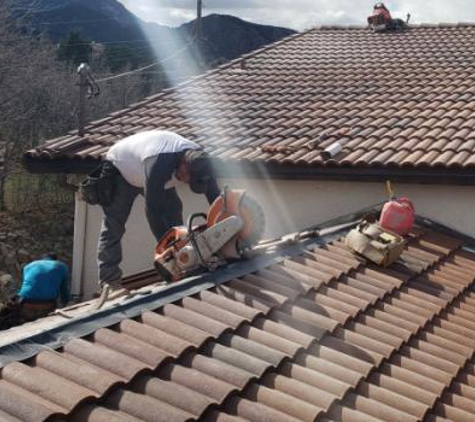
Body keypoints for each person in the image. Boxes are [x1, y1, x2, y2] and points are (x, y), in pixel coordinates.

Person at [97, 130, 220, 290]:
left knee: (174, 210)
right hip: (121, 170)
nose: (188, 183)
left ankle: (184, 261)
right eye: (189, 180)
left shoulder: (201, 161)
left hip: (149, 172)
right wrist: (167, 249)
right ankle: (109, 282)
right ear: (184, 167)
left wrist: (229, 229)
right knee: (114, 225)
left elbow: (216, 200)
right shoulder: (159, 163)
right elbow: (153, 210)